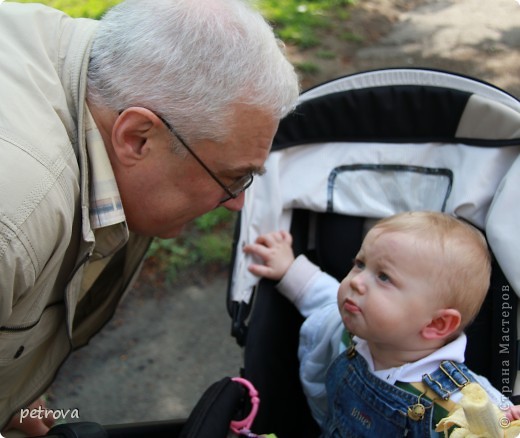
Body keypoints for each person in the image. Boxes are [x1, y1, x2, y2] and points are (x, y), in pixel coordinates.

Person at [0, 0, 299, 435]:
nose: (237, 203)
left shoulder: (94, 66)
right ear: (138, 138)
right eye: (233, 177)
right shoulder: (14, 224)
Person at [244, 211, 520, 436]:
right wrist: (290, 269)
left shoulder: (464, 401)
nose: (356, 281)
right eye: (361, 263)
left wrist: (509, 426)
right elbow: (324, 298)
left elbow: (501, 427)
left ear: (436, 323)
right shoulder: (360, 328)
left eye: (384, 277)